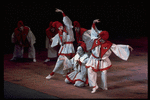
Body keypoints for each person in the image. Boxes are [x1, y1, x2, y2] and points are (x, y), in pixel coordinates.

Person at [85, 19, 133, 93]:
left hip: (103, 61)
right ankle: (94, 86)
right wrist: (94, 23)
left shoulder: (109, 44)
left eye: (102, 39)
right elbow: (94, 32)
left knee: (103, 74)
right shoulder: (96, 40)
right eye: (100, 38)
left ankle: (103, 86)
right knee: (90, 70)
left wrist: (127, 46)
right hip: (93, 59)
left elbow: (117, 47)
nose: (100, 40)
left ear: (105, 39)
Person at [46, 8, 75, 79]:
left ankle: (68, 74)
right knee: (60, 61)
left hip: (69, 47)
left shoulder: (68, 28)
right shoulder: (60, 33)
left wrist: (62, 12)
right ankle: (52, 73)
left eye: (60, 26)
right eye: (58, 28)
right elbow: (56, 38)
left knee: (68, 61)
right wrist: (52, 39)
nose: (60, 28)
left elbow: (67, 21)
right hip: (64, 48)